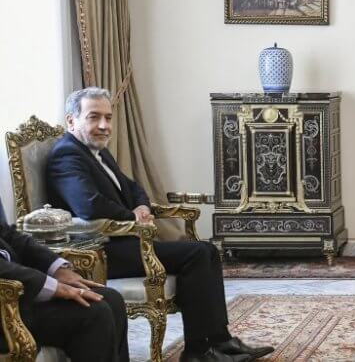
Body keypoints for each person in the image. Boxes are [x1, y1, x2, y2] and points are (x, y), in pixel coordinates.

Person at [46, 87, 274, 362]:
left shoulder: (97, 151)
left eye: (108, 117)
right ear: (72, 121)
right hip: (100, 254)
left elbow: (132, 187)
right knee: (199, 253)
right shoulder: (66, 155)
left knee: (204, 253)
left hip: (125, 242)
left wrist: (141, 206)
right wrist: (133, 218)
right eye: (94, 117)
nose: (104, 125)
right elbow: (89, 205)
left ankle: (218, 343)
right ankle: (200, 351)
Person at [0, 220, 128, 361]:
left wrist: (57, 269)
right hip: (5, 310)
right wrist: (54, 286)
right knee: (93, 312)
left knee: (111, 298)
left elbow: (9, 235)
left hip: (21, 296)